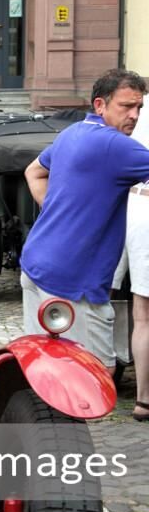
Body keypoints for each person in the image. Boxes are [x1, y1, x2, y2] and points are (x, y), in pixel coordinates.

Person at [20, 68, 149, 374]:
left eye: (139, 107)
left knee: (43, 369)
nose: (134, 115)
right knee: (92, 377)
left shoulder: (71, 133)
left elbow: (33, 172)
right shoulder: (116, 146)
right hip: (72, 283)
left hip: (37, 264)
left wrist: (56, 209)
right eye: (126, 106)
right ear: (100, 105)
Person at [112, 103, 149, 418]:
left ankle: (143, 399)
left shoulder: (140, 108)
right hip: (140, 205)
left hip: (139, 204)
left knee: (143, 313)